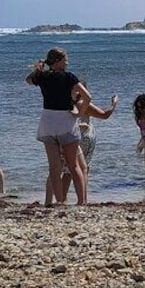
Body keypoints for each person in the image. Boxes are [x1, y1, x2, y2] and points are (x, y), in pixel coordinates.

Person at [27, 47, 91, 206]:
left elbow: (28, 80)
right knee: (73, 164)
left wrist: (38, 69)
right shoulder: (69, 77)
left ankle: (60, 201)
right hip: (65, 121)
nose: (67, 63)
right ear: (57, 61)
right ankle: (81, 202)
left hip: (48, 121)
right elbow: (87, 97)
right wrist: (79, 113)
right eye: (65, 60)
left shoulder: (42, 76)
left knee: (54, 167)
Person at [45, 87, 119, 205]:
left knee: (68, 170)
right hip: (80, 139)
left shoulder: (65, 104)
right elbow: (105, 115)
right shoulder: (81, 104)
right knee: (76, 169)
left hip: (76, 138)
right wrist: (114, 104)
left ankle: (63, 199)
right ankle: (78, 200)